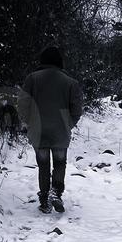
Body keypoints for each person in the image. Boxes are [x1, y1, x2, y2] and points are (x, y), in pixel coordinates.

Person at [19, 46, 83, 213]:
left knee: (43, 164)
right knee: (60, 163)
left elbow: (23, 105)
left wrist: (29, 123)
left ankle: (44, 199)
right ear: (59, 62)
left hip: (38, 130)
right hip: (60, 130)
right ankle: (56, 192)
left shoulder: (32, 79)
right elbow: (77, 110)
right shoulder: (71, 82)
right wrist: (68, 123)